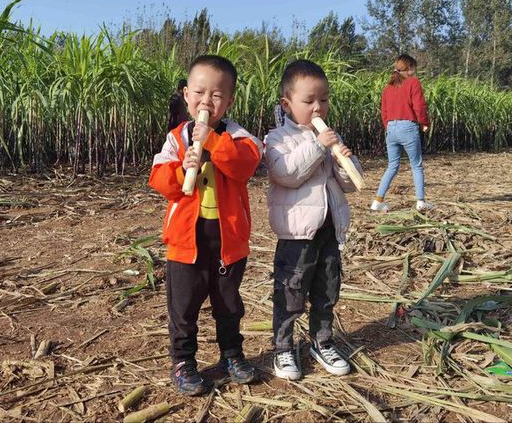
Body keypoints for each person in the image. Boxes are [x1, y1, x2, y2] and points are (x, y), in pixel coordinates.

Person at [149, 55, 262, 395]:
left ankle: (232, 354)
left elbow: (245, 166)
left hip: (228, 241)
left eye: (217, 95)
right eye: (199, 92)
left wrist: (212, 140)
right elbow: (159, 179)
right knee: (183, 307)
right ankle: (184, 362)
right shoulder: (176, 139)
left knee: (228, 304)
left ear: (229, 100)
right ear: (186, 95)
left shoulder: (240, 137)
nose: (207, 101)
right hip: (186, 241)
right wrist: (183, 169)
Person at [264, 59, 362, 381]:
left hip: (329, 229)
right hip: (296, 234)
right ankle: (283, 348)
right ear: (287, 104)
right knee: (291, 291)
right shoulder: (277, 139)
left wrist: (345, 159)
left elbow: (350, 183)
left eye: (323, 99)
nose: (318, 108)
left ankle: (322, 341)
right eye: (309, 101)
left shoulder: (330, 138)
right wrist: (318, 146)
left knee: (326, 289)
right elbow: (287, 173)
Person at [371, 54, 434, 212]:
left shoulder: (388, 87)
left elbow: (384, 112)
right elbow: (419, 106)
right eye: (414, 68)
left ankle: (378, 201)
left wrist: (389, 126)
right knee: (416, 166)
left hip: (391, 129)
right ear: (410, 68)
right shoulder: (413, 82)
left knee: (392, 166)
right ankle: (420, 202)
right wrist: (425, 123)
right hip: (408, 128)